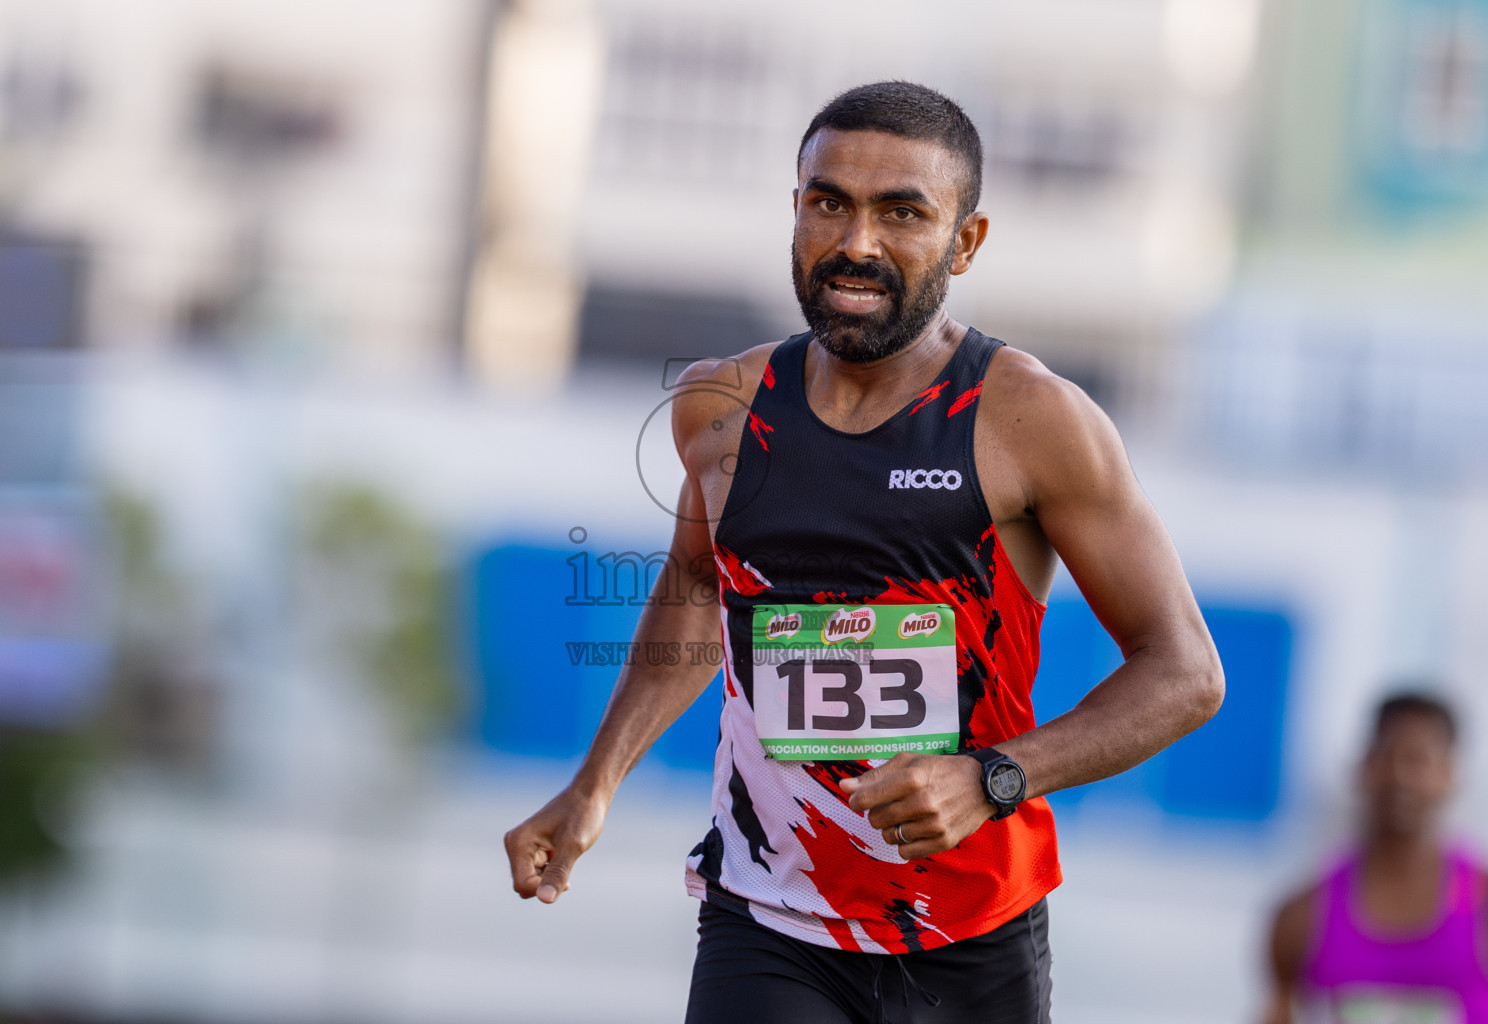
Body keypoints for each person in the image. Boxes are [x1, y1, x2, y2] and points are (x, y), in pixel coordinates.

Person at [505, 81, 1224, 1023]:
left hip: (969, 933)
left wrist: (991, 777)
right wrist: (593, 783)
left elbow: (1185, 674)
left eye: (903, 213)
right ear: (795, 211)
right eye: (828, 202)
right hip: (766, 919)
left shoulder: (1029, 421)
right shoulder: (719, 408)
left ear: (966, 242)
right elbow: (693, 584)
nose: (857, 243)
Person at [1263, 692, 1488, 1023]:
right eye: (1386, 756)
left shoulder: (1480, 904)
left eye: (1417, 760)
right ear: (1364, 765)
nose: (1399, 776)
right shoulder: (1302, 916)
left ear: (1448, 775)